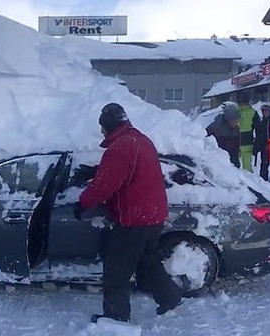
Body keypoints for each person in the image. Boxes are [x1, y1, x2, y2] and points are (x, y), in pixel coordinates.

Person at [73, 102, 183, 324]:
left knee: (117, 271)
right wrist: (95, 170)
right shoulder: (139, 139)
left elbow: (104, 187)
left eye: (102, 127)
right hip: (153, 215)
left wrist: (83, 204)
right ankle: (171, 297)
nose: (102, 131)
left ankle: (116, 318)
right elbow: (129, 170)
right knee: (146, 262)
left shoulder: (120, 148)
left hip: (134, 219)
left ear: (110, 125)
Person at [206, 102, 241, 168]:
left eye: (237, 120)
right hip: (219, 164)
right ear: (228, 119)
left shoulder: (236, 130)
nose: (236, 122)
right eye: (234, 120)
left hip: (232, 163)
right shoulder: (216, 127)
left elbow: (236, 148)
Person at [253, 104, 270, 181]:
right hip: (264, 147)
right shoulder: (262, 123)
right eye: (264, 111)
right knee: (264, 165)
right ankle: (264, 182)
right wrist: (256, 146)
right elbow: (259, 136)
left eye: (267, 111)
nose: (265, 112)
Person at [237, 97, 256, 172]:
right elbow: (258, 128)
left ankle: (233, 180)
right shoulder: (253, 112)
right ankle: (249, 181)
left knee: (233, 165)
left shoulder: (235, 112)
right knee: (247, 166)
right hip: (247, 141)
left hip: (236, 140)